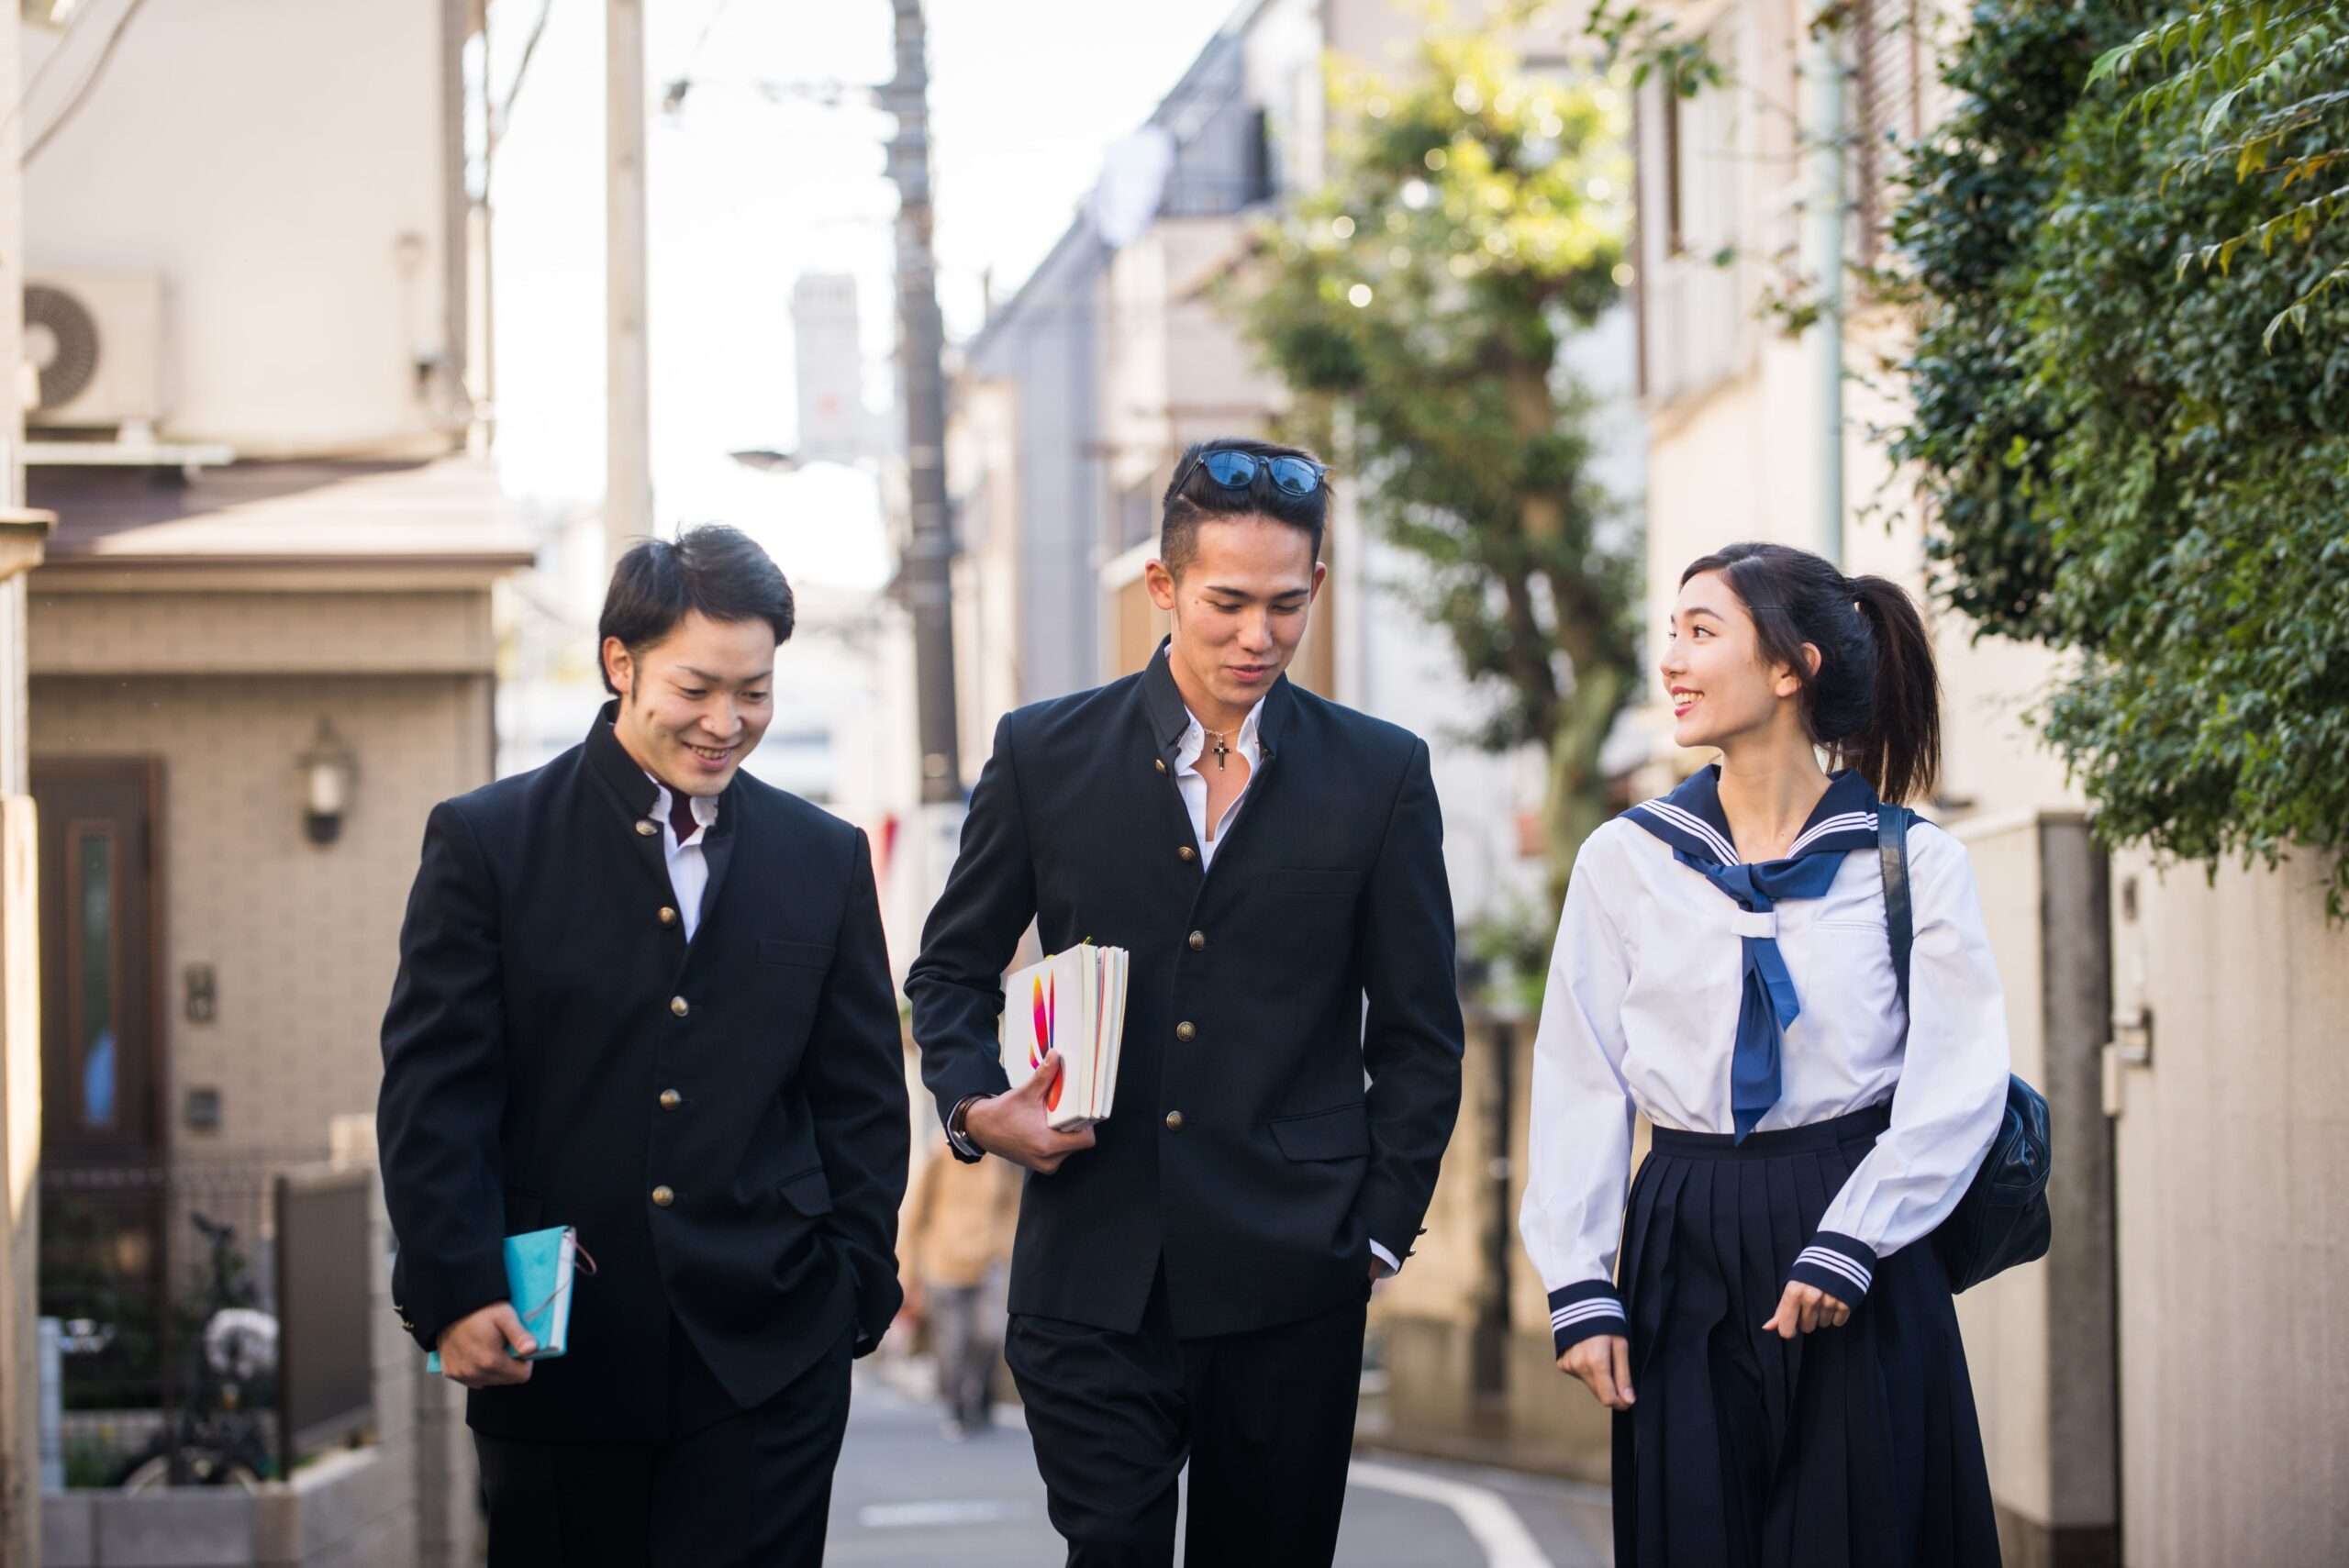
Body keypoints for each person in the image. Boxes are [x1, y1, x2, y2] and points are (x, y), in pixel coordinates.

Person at [907, 438, 1464, 1568]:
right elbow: (948, 973)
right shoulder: (1042, 753)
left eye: (1286, 604)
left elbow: (1418, 1033)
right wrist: (974, 1108)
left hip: (1294, 1271)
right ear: (1161, 586)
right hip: (1091, 1270)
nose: (1256, 636)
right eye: (1225, 603)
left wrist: (1377, 1232)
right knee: (1108, 1549)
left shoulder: (1380, 772)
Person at [377, 526, 908, 1568]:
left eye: (754, 691)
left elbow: (859, 1096)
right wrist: (456, 1283)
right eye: (697, 686)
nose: (728, 721)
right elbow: (438, 1089)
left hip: (774, 1345)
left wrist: (854, 1278)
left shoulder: (823, 855)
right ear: (620, 662)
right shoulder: (488, 842)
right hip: (559, 1350)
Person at [1520, 541, 2009, 1567]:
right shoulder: (1626, 858)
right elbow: (1578, 1073)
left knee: (1862, 1532)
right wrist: (1578, 1282)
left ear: (1791, 668)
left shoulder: (1908, 860)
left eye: (1703, 632)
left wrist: (1857, 1237)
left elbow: (1956, 1083)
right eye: (1673, 633)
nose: (1672, 661)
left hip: (1855, 1230)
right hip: (1681, 1227)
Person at [898, 1135, 1021, 1439]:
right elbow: (916, 1215)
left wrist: (1005, 1248)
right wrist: (908, 1272)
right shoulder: (939, 1158)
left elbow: (1011, 1207)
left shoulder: (998, 1160)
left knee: (990, 1334)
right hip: (944, 1263)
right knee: (953, 1343)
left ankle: (982, 1399)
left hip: (988, 1262)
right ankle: (956, 1407)